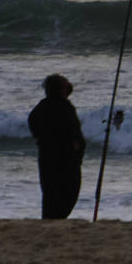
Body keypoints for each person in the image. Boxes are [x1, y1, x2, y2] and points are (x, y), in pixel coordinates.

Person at [27, 74, 86, 220]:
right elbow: (75, 134)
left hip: (46, 156)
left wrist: (40, 139)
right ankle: (57, 219)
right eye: (66, 85)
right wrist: (78, 152)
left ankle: (49, 220)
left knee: (49, 194)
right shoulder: (66, 108)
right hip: (66, 159)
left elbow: (32, 122)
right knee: (69, 193)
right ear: (61, 89)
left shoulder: (42, 106)